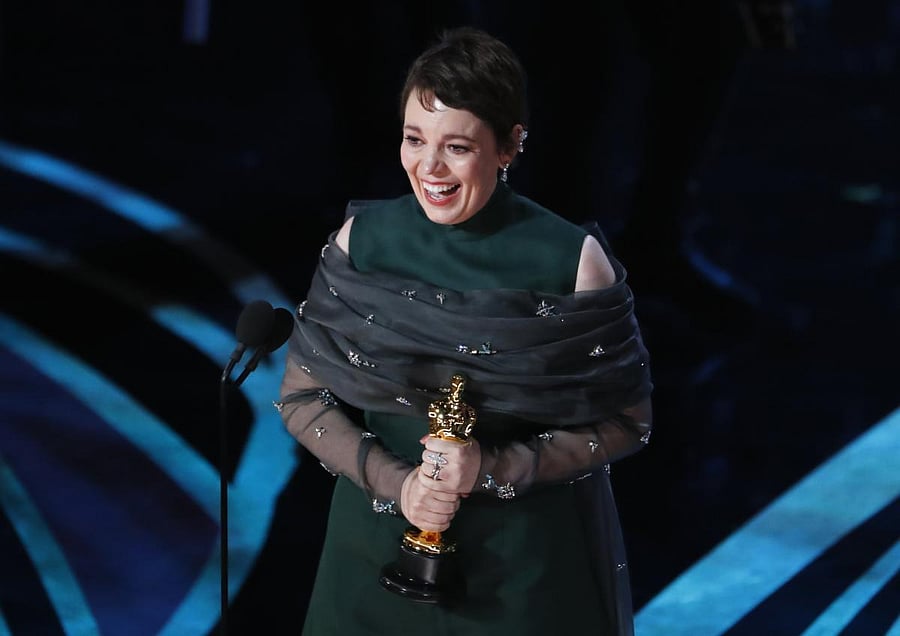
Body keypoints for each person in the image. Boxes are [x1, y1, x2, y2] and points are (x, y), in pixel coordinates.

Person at [276, 26, 653, 635]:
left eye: (457, 146)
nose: (429, 167)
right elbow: (300, 398)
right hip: (371, 556)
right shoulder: (362, 244)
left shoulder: (572, 261)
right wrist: (396, 485)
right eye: (414, 138)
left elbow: (626, 423)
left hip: (523, 571)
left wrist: (493, 468)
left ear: (510, 146)